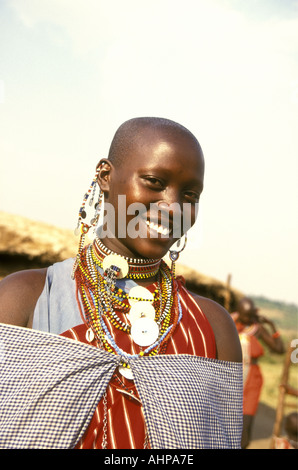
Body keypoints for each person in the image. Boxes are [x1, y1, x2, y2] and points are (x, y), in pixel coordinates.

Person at [0, 117, 243, 449]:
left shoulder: (213, 328)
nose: (173, 207)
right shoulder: (25, 298)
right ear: (105, 176)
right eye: (155, 181)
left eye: (190, 194)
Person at [231, 297, 284, 448]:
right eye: (244, 315)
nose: (247, 319)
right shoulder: (228, 322)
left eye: (249, 315)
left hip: (252, 382)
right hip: (229, 376)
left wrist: (272, 326)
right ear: (238, 312)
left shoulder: (257, 328)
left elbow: (279, 349)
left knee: (245, 431)